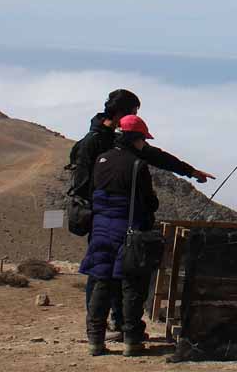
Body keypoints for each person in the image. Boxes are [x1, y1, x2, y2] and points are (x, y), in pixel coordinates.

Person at [69, 89, 215, 341]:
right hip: (104, 215)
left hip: (104, 217)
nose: (136, 114)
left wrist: (189, 171)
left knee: (108, 270)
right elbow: (82, 181)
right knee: (105, 272)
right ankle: (109, 327)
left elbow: (156, 156)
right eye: (134, 110)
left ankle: (106, 328)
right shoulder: (96, 141)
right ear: (124, 112)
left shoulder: (119, 138)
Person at [79, 114, 161, 357]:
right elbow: (149, 202)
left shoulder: (101, 159)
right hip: (129, 232)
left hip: (100, 230)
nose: (143, 144)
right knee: (131, 287)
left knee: (101, 283)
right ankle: (131, 341)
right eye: (143, 140)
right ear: (136, 138)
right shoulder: (138, 165)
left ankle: (95, 341)